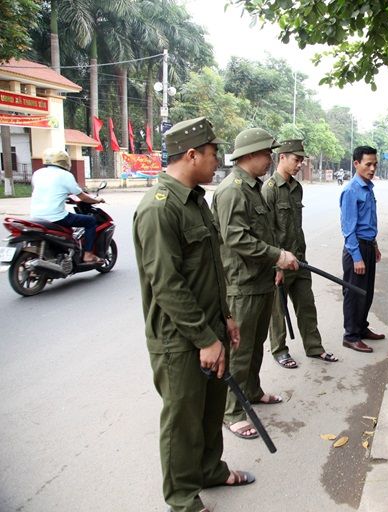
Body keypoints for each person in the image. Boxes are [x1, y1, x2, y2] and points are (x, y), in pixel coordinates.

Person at [132, 117, 254, 512]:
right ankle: (183, 499)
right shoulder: (158, 209)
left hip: (211, 329)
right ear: (191, 154)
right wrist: (204, 339)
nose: (217, 160)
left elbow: (211, 270)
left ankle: (210, 470)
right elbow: (167, 285)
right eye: (213, 152)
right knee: (182, 419)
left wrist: (226, 318)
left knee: (210, 408)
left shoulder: (197, 200)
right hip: (180, 340)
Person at [211, 127, 299, 439]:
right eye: (266, 153)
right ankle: (232, 412)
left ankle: (252, 391)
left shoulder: (252, 188)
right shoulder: (232, 190)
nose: (270, 159)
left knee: (256, 346)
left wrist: (274, 263)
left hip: (260, 280)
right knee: (240, 351)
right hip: (242, 285)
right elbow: (236, 239)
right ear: (249, 155)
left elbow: (263, 232)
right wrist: (277, 256)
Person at [263, 139, 338, 368]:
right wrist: (276, 266)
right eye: (296, 159)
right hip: (280, 263)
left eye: (301, 160)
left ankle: (314, 347)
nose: (299, 164)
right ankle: (280, 351)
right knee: (278, 312)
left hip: (300, 259)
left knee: (307, 305)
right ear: (282, 157)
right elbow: (267, 232)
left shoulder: (297, 188)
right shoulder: (269, 190)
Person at [340, 145, 385, 353]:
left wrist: (374, 246)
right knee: (354, 293)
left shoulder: (368, 187)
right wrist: (357, 257)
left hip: (367, 246)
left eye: (375, 164)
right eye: (368, 164)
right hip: (355, 249)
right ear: (356, 164)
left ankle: (362, 327)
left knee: (366, 293)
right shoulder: (351, 190)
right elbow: (348, 229)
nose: (373, 168)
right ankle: (350, 335)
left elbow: (368, 223)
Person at [30, 148, 106, 263]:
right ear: (64, 161)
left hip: (36, 216)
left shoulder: (37, 173)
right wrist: (97, 200)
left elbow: (48, 191)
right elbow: (83, 197)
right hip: (56, 217)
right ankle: (88, 255)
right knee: (90, 221)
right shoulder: (66, 175)